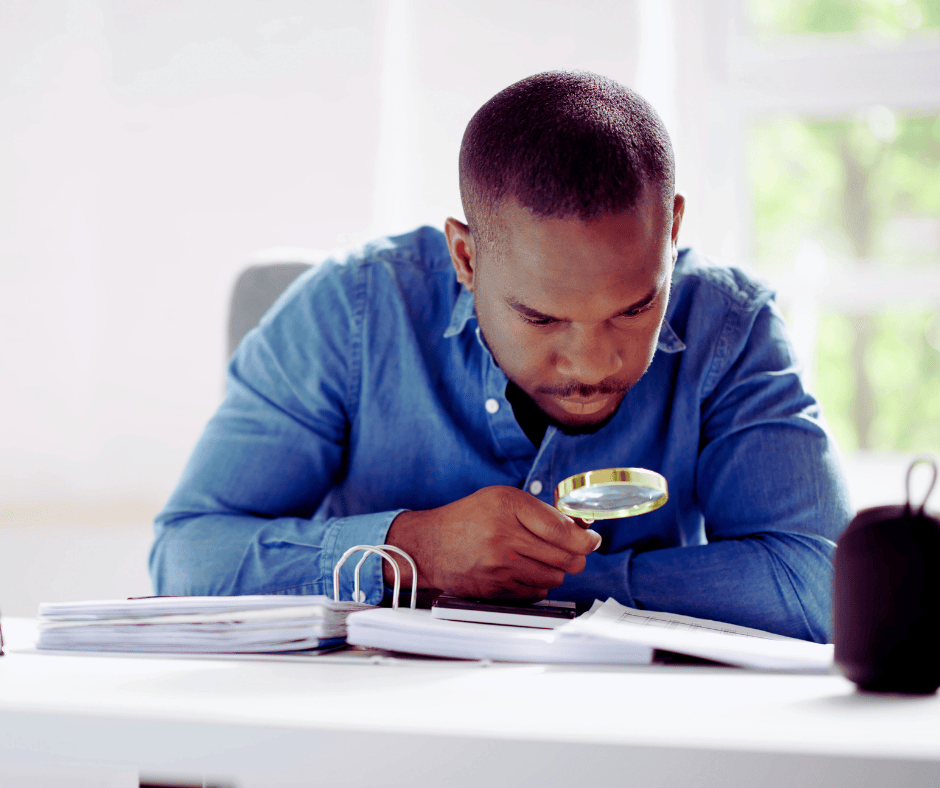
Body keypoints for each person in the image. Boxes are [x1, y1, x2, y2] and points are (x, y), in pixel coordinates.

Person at [150, 70, 852, 643]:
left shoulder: (732, 327)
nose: (591, 365)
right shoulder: (347, 311)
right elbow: (185, 558)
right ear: (465, 256)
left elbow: (822, 584)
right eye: (541, 317)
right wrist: (415, 549)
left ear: (671, 230)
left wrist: (546, 582)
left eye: (635, 308)